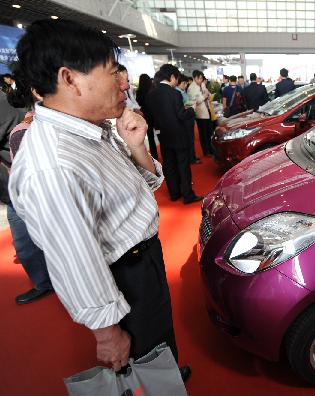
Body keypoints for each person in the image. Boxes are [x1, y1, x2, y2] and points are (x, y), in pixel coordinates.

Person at [8, 19, 191, 381]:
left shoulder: (92, 130)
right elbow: (75, 257)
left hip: (142, 262)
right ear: (70, 78)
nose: (123, 84)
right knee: (142, 362)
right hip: (122, 277)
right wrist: (107, 332)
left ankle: (165, 372)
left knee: (157, 349)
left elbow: (140, 185)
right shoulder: (54, 165)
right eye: (112, 73)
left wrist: (137, 146)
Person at [5, 67, 54, 305]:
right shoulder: (27, 126)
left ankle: (48, 282)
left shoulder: (27, 129)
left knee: (28, 244)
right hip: (28, 193)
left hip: (30, 196)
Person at [146, 64, 202, 204]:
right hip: (178, 134)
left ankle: (174, 193)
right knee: (183, 165)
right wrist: (192, 109)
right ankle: (187, 195)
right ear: (172, 77)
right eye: (176, 78)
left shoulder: (151, 94)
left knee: (169, 165)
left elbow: (150, 117)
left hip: (163, 135)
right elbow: (181, 115)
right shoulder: (174, 93)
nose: (177, 81)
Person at [188, 70, 214, 157]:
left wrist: (209, 95)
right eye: (199, 78)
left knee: (209, 132)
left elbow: (208, 93)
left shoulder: (202, 85)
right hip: (201, 114)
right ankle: (206, 151)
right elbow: (194, 101)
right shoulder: (192, 88)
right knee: (203, 134)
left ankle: (211, 149)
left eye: (202, 78)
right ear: (195, 78)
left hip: (208, 110)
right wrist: (204, 96)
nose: (201, 80)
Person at [135, 73, 158, 159]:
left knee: (150, 137)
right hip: (155, 115)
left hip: (146, 115)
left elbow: (139, 103)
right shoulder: (153, 89)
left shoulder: (139, 91)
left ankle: (154, 155)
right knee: (160, 134)